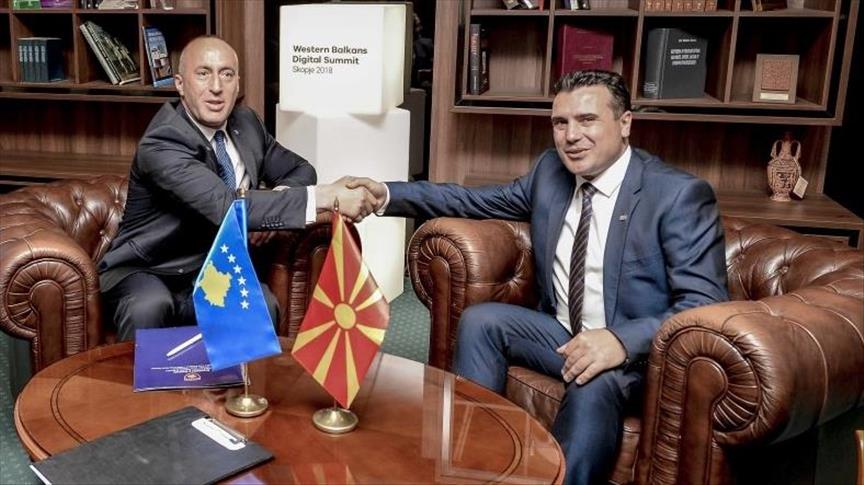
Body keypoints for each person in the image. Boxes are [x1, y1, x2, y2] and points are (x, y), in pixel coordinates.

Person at [345, 70, 729, 485]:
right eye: (560, 123)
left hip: (638, 357)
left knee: (593, 376)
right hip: (564, 332)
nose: (571, 136)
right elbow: (472, 200)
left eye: (587, 120)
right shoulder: (550, 171)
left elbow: (705, 304)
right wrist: (386, 194)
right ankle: (470, 464)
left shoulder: (675, 195)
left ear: (624, 123)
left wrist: (620, 341)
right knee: (482, 321)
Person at [100, 36, 376, 342]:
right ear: (180, 84)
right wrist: (326, 195)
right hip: (149, 267)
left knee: (261, 305)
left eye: (227, 74)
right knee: (151, 305)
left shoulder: (246, 123)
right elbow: (225, 206)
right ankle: (135, 377)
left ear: (237, 83)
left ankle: (249, 376)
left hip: (212, 267)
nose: (216, 87)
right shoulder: (163, 141)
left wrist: (273, 200)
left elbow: (300, 169)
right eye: (203, 74)